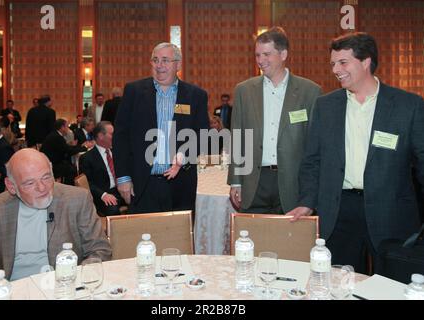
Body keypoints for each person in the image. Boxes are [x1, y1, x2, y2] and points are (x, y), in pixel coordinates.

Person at [286, 32, 424, 274]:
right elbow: (312, 161)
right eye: (332, 64)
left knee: (390, 285)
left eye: (343, 62)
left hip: (391, 211)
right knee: (340, 283)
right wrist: (307, 202)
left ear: (365, 61)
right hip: (339, 211)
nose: (336, 70)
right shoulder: (326, 106)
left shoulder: (408, 105)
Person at [0, 148, 112, 293]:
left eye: (46, 177)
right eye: (30, 183)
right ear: (11, 186)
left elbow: (100, 249)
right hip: (13, 290)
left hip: (65, 288)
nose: (42, 188)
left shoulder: (76, 199)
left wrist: (76, 283)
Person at [228, 26, 322, 214]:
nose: (260, 61)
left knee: (289, 241)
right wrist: (236, 180)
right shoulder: (244, 91)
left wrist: (310, 193)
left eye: (266, 54)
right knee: (253, 240)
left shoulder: (310, 91)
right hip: (254, 180)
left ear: (283, 54)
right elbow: (238, 137)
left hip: (293, 182)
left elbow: (315, 146)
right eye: (257, 55)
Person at [113, 42, 209, 213]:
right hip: (141, 183)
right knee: (142, 236)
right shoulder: (133, 92)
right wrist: (123, 178)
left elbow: (203, 138)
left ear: (178, 64)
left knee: (178, 238)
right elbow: (121, 137)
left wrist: (183, 156)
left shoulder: (195, 96)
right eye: (155, 60)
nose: (159, 65)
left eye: (165, 60)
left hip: (181, 183)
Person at [80, 121, 125, 216]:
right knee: (113, 210)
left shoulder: (117, 152)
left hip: (122, 189)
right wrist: (103, 195)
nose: (115, 136)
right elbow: (88, 184)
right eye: (112, 134)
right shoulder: (87, 158)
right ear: (100, 136)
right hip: (103, 194)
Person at [40, 118, 91, 185]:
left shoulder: (55, 134)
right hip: (52, 164)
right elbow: (69, 151)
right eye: (67, 126)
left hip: (51, 161)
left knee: (71, 167)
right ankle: (69, 188)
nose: (68, 129)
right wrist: (85, 147)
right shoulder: (57, 137)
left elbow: (67, 148)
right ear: (62, 127)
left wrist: (81, 147)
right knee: (73, 170)